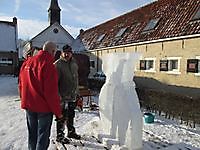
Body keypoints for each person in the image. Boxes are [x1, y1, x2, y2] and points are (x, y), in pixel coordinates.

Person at [18, 41, 63, 150]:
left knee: (32, 135)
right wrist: (58, 113)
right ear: (52, 51)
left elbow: (21, 85)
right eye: (55, 52)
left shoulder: (27, 63)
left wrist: (23, 99)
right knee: (42, 137)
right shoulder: (48, 66)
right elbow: (51, 93)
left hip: (29, 106)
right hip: (44, 109)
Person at [54, 44, 81, 143]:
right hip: (62, 97)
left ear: (71, 53)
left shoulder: (74, 63)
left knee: (71, 115)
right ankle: (60, 135)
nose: (66, 54)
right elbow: (54, 83)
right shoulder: (57, 64)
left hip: (72, 95)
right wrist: (58, 96)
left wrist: (77, 92)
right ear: (61, 53)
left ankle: (71, 132)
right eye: (65, 52)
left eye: (68, 52)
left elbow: (76, 79)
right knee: (61, 117)